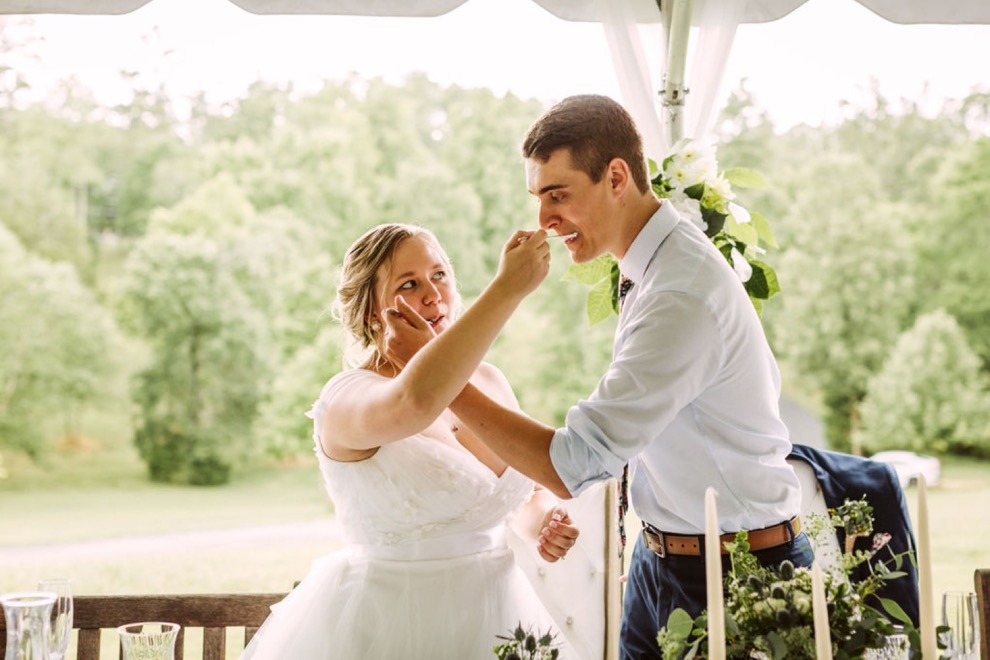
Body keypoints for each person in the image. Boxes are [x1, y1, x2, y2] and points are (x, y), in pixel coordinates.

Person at [384, 95, 814, 660]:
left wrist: (437, 375)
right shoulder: (648, 265)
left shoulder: (678, 295)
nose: (544, 220)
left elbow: (570, 465)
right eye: (538, 199)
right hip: (660, 561)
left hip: (735, 573)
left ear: (616, 177)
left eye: (558, 195)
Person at [241, 223, 580, 660]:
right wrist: (506, 290)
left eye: (440, 275)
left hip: (498, 614)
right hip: (392, 623)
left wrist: (541, 524)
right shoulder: (348, 397)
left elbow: (521, 497)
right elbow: (416, 401)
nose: (433, 295)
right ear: (370, 313)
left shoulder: (490, 382)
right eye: (409, 284)